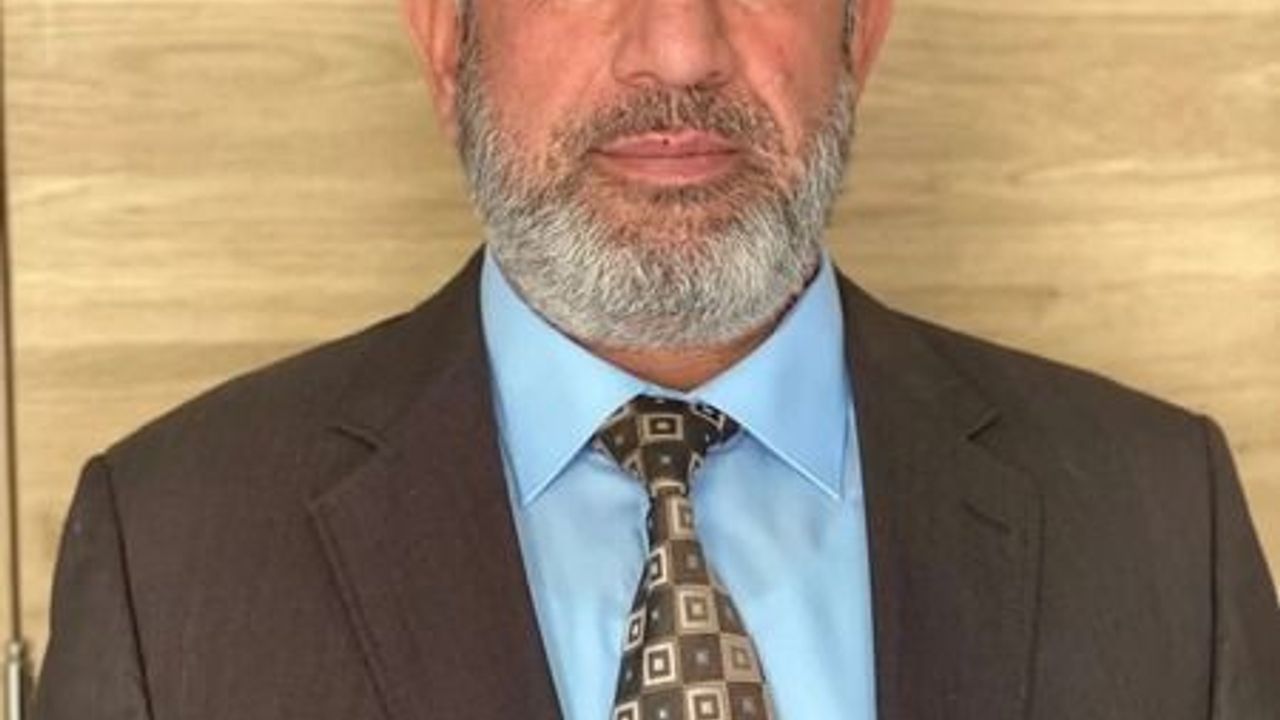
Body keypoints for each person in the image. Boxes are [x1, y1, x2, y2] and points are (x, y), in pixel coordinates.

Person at [32, 0, 1280, 717]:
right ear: (445, 35)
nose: (679, 52)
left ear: (862, 30)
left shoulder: (1158, 523)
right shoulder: (170, 557)